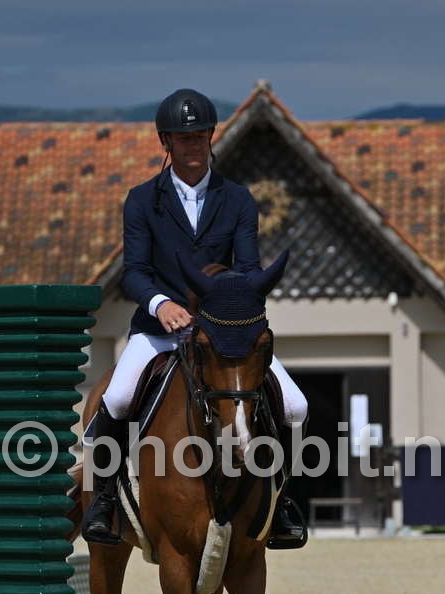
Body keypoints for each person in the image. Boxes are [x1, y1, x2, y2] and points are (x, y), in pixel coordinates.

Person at [82, 88, 308, 547]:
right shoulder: (142, 200)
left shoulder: (238, 199)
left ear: (211, 138)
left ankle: (282, 501)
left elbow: (247, 269)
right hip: (159, 330)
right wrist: (160, 305)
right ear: (166, 141)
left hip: (222, 333)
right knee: (118, 397)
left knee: (295, 405)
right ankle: (104, 499)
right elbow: (134, 272)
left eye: (201, 135)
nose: (193, 144)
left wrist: (225, 311)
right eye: (184, 137)